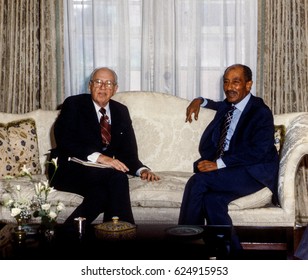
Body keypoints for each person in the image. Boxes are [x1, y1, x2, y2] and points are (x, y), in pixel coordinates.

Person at [178, 64, 279, 251]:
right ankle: (233, 257)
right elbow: (216, 104)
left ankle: (186, 246)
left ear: (248, 85)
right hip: (232, 171)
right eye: (226, 82)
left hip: (253, 172)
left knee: (197, 182)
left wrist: (219, 164)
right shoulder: (229, 105)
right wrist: (199, 100)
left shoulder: (260, 112)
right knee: (212, 201)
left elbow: (259, 151)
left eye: (236, 82)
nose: (229, 87)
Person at [50, 67, 160, 225]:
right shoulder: (74, 104)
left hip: (98, 175)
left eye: (108, 83)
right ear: (90, 86)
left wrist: (142, 170)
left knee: (102, 194)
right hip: (69, 169)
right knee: (117, 177)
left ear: (115, 89)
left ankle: (68, 235)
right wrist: (102, 158)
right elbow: (65, 141)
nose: (103, 87)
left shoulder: (121, 111)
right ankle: (123, 234)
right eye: (98, 82)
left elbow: (128, 153)